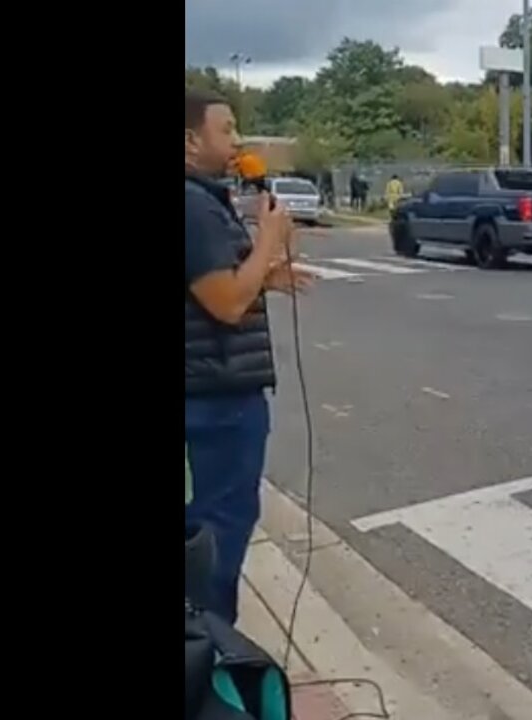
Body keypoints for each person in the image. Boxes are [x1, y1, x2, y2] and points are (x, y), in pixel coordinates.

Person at [184, 89, 315, 624]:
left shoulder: (206, 199)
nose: (237, 140)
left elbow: (217, 285)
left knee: (216, 520)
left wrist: (270, 267)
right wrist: (266, 237)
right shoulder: (192, 205)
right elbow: (226, 303)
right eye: (227, 128)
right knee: (220, 524)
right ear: (190, 141)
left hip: (216, 387)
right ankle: (210, 645)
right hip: (216, 394)